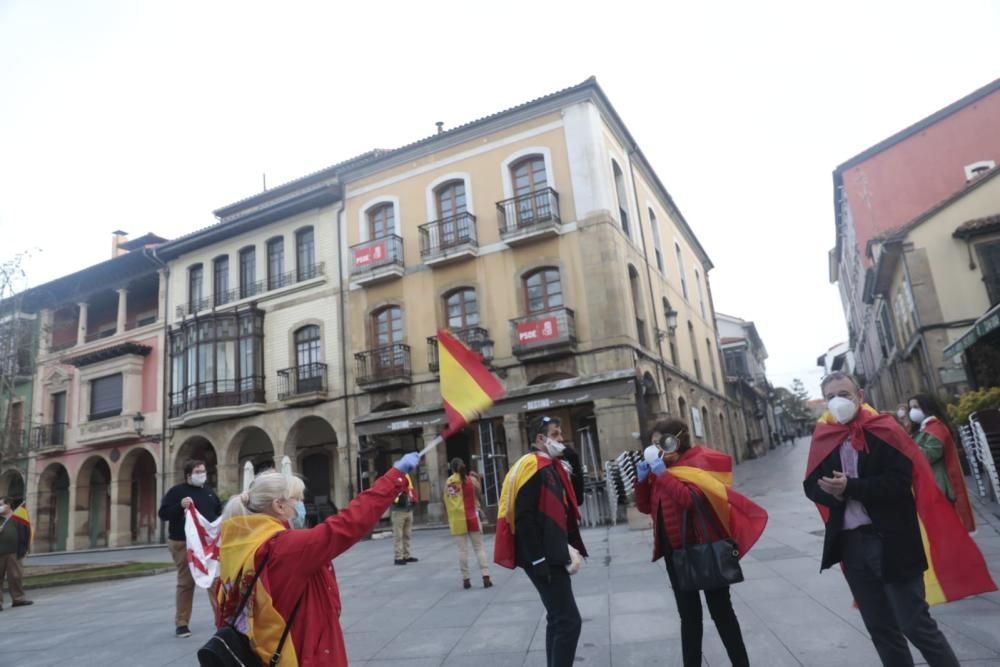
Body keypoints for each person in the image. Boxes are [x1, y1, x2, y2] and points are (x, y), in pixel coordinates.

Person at [803, 371, 996, 667]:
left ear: (860, 396)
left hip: (892, 541)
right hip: (852, 546)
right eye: (831, 397)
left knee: (915, 624)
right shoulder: (824, 436)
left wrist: (851, 486)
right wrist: (834, 494)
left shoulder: (885, 430)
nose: (838, 402)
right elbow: (810, 484)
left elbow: (899, 482)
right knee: (881, 629)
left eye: (844, 394)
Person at [215, 453, 421, 666]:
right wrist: (394, 477)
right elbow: (347, 524)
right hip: (301, 651)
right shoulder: (285, 547)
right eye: (297, 499)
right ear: (279, 506)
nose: (301, 504)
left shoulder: (239, 544)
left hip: (264, 650)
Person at [634, 419, 765, 667]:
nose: (653, 449)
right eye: (651, 444)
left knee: (721, 612)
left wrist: (662, 475)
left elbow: (690, 501)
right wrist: (642, 481)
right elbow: (644, 507)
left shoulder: (696, 464)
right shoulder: (661, 470)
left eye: (658, 442)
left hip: (705, 550)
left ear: (674, 441)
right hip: (676, 555)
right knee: (689, 617)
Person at [494, 415, 587, 667]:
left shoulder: (553, 466)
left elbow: (576, 498)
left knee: (558, 618)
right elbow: (524, 517)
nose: (561, 440)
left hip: (553, 550)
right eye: (556, 435)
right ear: (540, 439)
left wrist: (575, 460)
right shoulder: (532, 467)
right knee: (569, 621)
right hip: (542, 555)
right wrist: (538, 559)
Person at [158, 459, 222, 638]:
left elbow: (217, 512)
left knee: (214, 581)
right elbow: (163, 514)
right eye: (198, 471)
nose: (202, 474)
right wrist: (180, 506)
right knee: (186, 583)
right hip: (183, 543)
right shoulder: (176, 492)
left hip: (207, 545)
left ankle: (221, 619)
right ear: (189, 475)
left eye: (203, 471)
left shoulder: (209, 492)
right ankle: (182, 623)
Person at [908, 393, 976, 532]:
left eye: (916, 407)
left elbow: (930, 454)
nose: (912, 411)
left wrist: (908, 449)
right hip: (930, 485)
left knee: (946, 529)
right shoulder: (923, 428)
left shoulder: (936, 428)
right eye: (911, 408)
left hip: (939, 485)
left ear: (926, 407)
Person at [445, 457, 492, 590]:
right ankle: (486, 575)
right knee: (479, 548)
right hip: (473, 516)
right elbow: (479, 494)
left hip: (458, 519)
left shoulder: (450, 482)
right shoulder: (472, 480)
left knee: (462, 550)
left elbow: (449, 501)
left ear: (452, 468)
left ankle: (466, 579)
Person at [0, 496, 32, 610]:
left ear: (8, 505)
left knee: (15, 576)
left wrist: (27, 549)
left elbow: (27, 532)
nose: (0, 507)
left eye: (1, 505)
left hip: (15, 552)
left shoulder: (18, 517)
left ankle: (18, 599)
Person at [391, 467, 418, 565]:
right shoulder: (393, 478)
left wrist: (413, 499)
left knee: (407, 534)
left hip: (408, 509)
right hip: (398, 510)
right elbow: (392, 492)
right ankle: (398, 557)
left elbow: (410, 489)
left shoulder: (406, 476)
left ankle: (407, 555)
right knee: (398, 535)